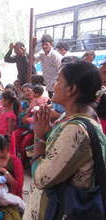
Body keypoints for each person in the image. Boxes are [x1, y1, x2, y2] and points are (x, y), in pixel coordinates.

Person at [23, 60, 106, 219]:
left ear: (72, 89)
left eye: (58, 81)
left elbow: (41, 178)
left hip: (61, 210)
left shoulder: (77, 130)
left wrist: (39, 137)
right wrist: (47, 131)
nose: (53, 86)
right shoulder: (76, 116)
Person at [34, 34, 62, 98]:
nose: (44, 46)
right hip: (48, 83)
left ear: (51, 44)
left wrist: (57, 84)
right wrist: (33, 46)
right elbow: (32, 59)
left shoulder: (56, 56)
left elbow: (61, 71)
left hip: (56, 84)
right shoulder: (41, 54)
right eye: (43, 44)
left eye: (46, 44)